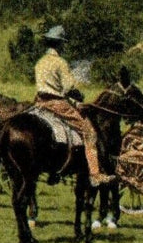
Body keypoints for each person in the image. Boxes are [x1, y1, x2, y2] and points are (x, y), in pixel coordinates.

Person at [33, 25, 115, 188]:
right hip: (57, 104)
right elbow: (68, 87)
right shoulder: (60, 62)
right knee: (89, 132)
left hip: (39, 102)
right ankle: (95, 174)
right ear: (60, 44)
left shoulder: (40, 62)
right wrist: (78, 97)